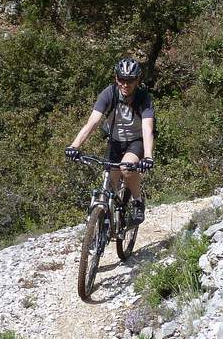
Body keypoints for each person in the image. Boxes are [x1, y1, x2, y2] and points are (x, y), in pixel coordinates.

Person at [65, 57, 155, 224]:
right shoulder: (109, 93)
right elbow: (92, 123)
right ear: (116, 78)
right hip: (115, 140)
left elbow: (147, 129)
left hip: (137, 141)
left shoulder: (144, 98)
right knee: (109, 182)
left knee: (126, 169)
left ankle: (137, 202)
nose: (125, 84)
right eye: (121, 79)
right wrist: (74, 145)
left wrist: (148, 156)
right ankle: (105, 222)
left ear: (137, 80)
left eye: (130, 80)